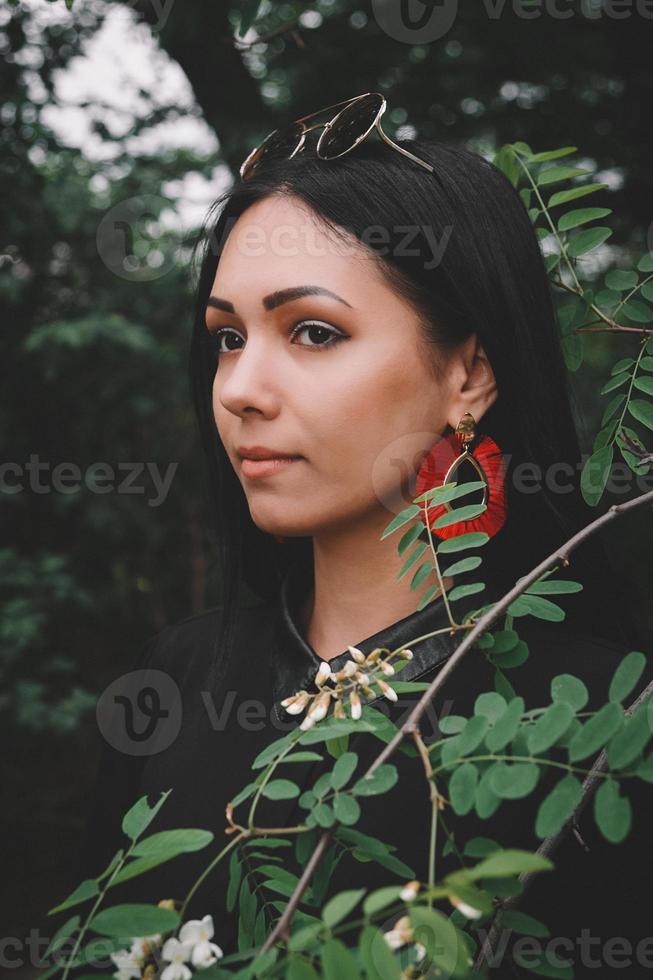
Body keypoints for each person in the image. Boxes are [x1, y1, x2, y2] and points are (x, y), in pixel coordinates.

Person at [76, 97, 651, 977]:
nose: (239, 388)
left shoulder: (606, 718)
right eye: (226, 337)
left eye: (312, 331)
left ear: (468, 374)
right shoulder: (177, 679)